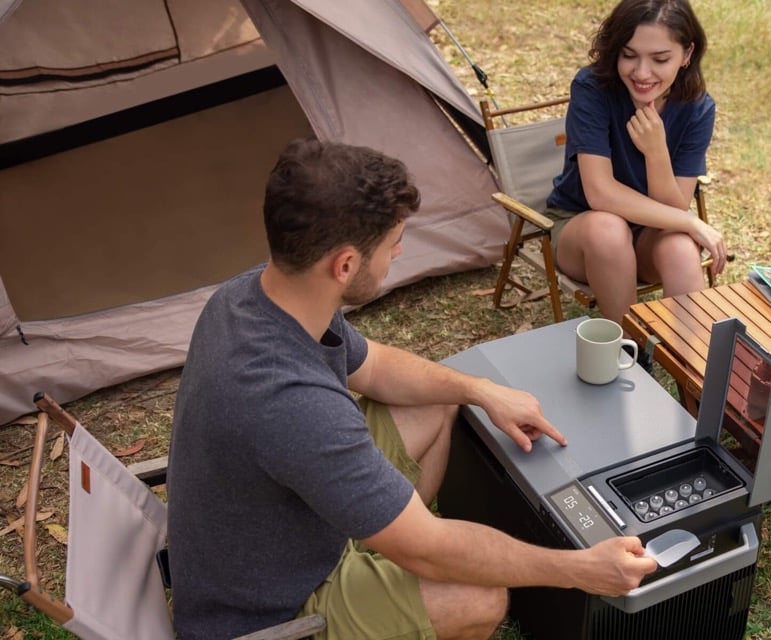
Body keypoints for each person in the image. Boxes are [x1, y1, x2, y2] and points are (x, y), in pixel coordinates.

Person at [166, 138, 657, 640]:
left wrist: (481, 389)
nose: (398, 251)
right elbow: (432, 549)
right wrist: (579, 568)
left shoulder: (253, 295)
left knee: (438, 398)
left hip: (289, 525)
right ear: (345, 265)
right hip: (273, 608)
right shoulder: (290, 404)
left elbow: (375, 366)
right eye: (392, 243)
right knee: (479, 598)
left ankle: (386, 535)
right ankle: (393, 543)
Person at [545, 0, 728, 323]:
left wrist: (656, 152)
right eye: (629, 55)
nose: (642, 73)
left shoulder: (697, 108)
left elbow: (673, 207)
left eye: (660, 59)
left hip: (649, 232)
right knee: (608, 228)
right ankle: (631, 350)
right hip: (582, 227)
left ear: (687, 55)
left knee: (681, 248)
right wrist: (692, 222)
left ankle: (693, 364)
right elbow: (599, 194)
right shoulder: (593, 89)